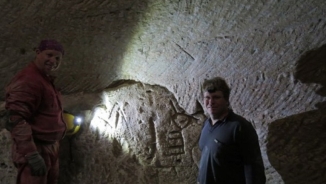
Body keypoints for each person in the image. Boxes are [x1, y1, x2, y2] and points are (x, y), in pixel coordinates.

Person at [5, 39, 66, 184]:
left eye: (58, 58)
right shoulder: (29, 80)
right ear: (38, 53)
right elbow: (16, 118)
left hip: (49, 147)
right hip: (36, 148)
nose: (53, 61)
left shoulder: (43, 79)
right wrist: (31, 154)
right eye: (49, 55)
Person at [197, 77, 266, 184]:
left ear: (226, 100)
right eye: (207, 97)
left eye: (216, 97)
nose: (211, 102)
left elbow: (253, 167)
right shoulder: (206, 125)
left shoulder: (239, 126)